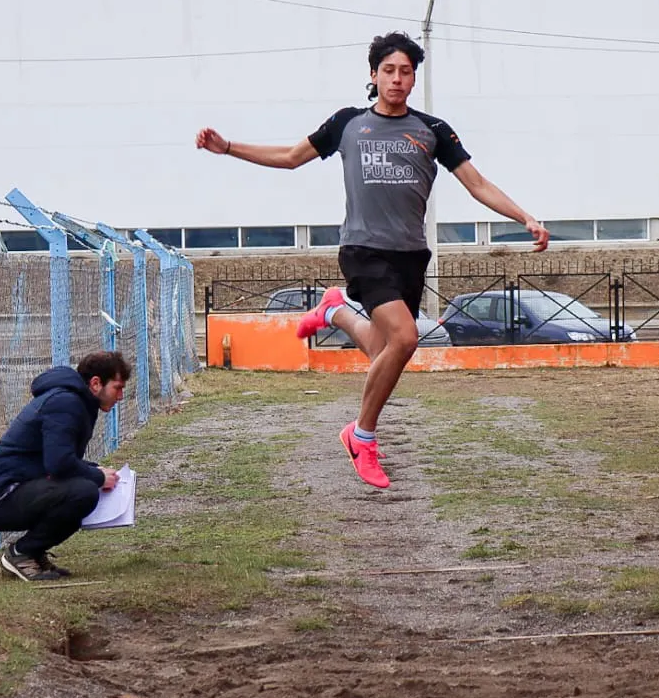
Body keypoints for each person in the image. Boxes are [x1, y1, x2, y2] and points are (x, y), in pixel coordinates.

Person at [195, 32, 548, 489]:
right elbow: (289, 157)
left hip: (410, 256)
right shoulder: (348, 124)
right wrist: (228, 147)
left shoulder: (433, 131)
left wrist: (524, 216)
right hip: (363, 250)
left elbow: (477, 183)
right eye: (389, 71)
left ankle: (335, 311)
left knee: (383, 351)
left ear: (414, 78)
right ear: (373, 75)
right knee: (405, 339)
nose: (397, 79)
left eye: (405, 71)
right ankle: (361, 436)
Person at [0, 351, 129, 581]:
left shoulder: (76, 401)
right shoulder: (66, 403)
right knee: (83, 492)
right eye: (117, 388)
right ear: (96, 383)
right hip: (3, 496)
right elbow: (58, 464)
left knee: (83, 488)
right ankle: (21, 554)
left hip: (20, 487)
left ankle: (34, 554)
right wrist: (97, 477)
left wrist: (95, 470)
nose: (121, 396)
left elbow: (56, 458)